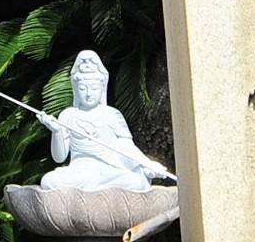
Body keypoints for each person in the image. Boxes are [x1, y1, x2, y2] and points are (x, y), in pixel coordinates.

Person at [35, 51, 173, 192]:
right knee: (48, 181)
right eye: (83, 88)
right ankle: (98, 190)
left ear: (102, 88)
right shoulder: (68, 115)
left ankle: (95, 190)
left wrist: (146, 164)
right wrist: (57, 131)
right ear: (76, 89)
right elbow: (59, 158)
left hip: (109, 171)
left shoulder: (111, 115)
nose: (88, 94)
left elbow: (126, 148)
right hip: (80, 171)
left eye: (94, 88)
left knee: (137, 182)